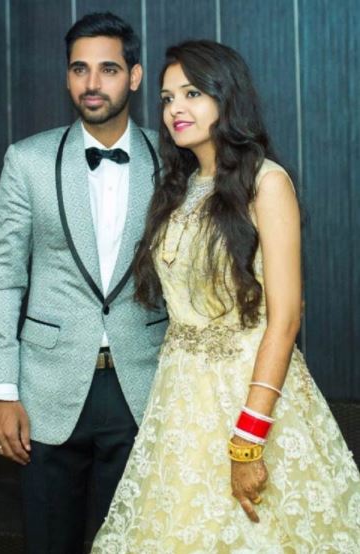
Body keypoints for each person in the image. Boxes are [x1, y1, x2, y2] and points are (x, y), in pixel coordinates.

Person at [92, 40, 360, 553]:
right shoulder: (179, 187)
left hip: (248, 391)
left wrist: (250, 436)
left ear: (226, 96)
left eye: (192, 93)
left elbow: (286, 318)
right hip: (180, 398)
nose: (175, 108)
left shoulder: (266, 183)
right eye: (167, 98)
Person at [0, 12, 167, 554]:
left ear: (134, 76)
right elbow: (4, 280)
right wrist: (1, 389)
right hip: (45, 391)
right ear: (66, 77)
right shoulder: (27, 160)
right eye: (79, 69)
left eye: (108, 69)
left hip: (143, 387)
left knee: (130, 545)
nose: (92, 83)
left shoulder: (174, 160)